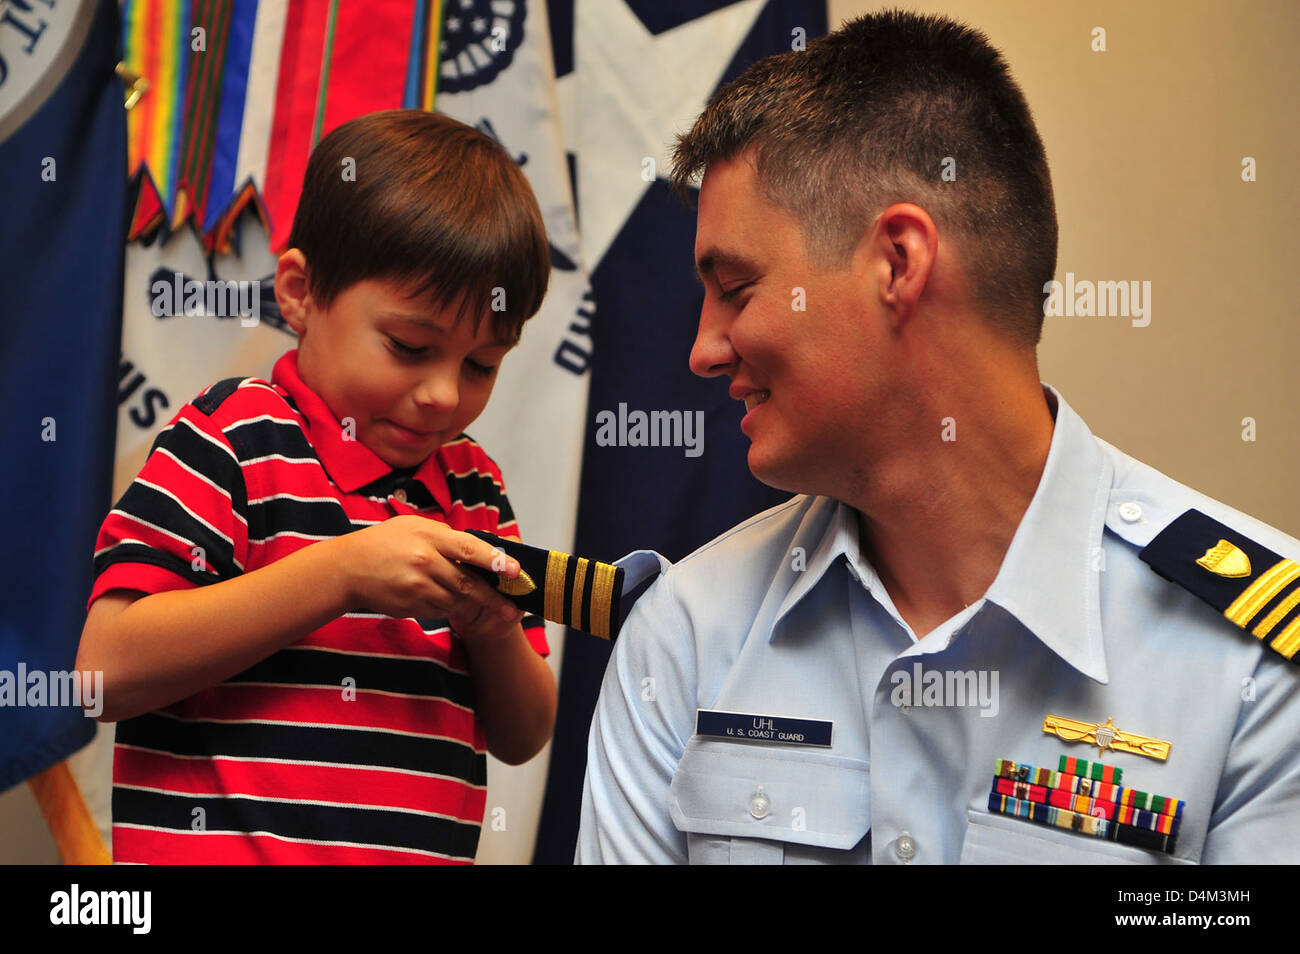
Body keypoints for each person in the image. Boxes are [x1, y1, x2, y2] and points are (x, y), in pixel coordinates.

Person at [576, 11, 1300, 864]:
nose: (701, 352)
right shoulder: (686, 637)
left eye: (736, 287)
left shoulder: (1252, 663)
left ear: (897, 262)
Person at [77, 110, 557, 864]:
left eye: (480, 365)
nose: (442, 395)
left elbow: (525, 737)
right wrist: (340, 574)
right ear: (300, 291)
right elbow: (103, 675)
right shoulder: (232, 437)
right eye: (410, 347)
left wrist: (493, 629)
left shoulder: (474, 487)